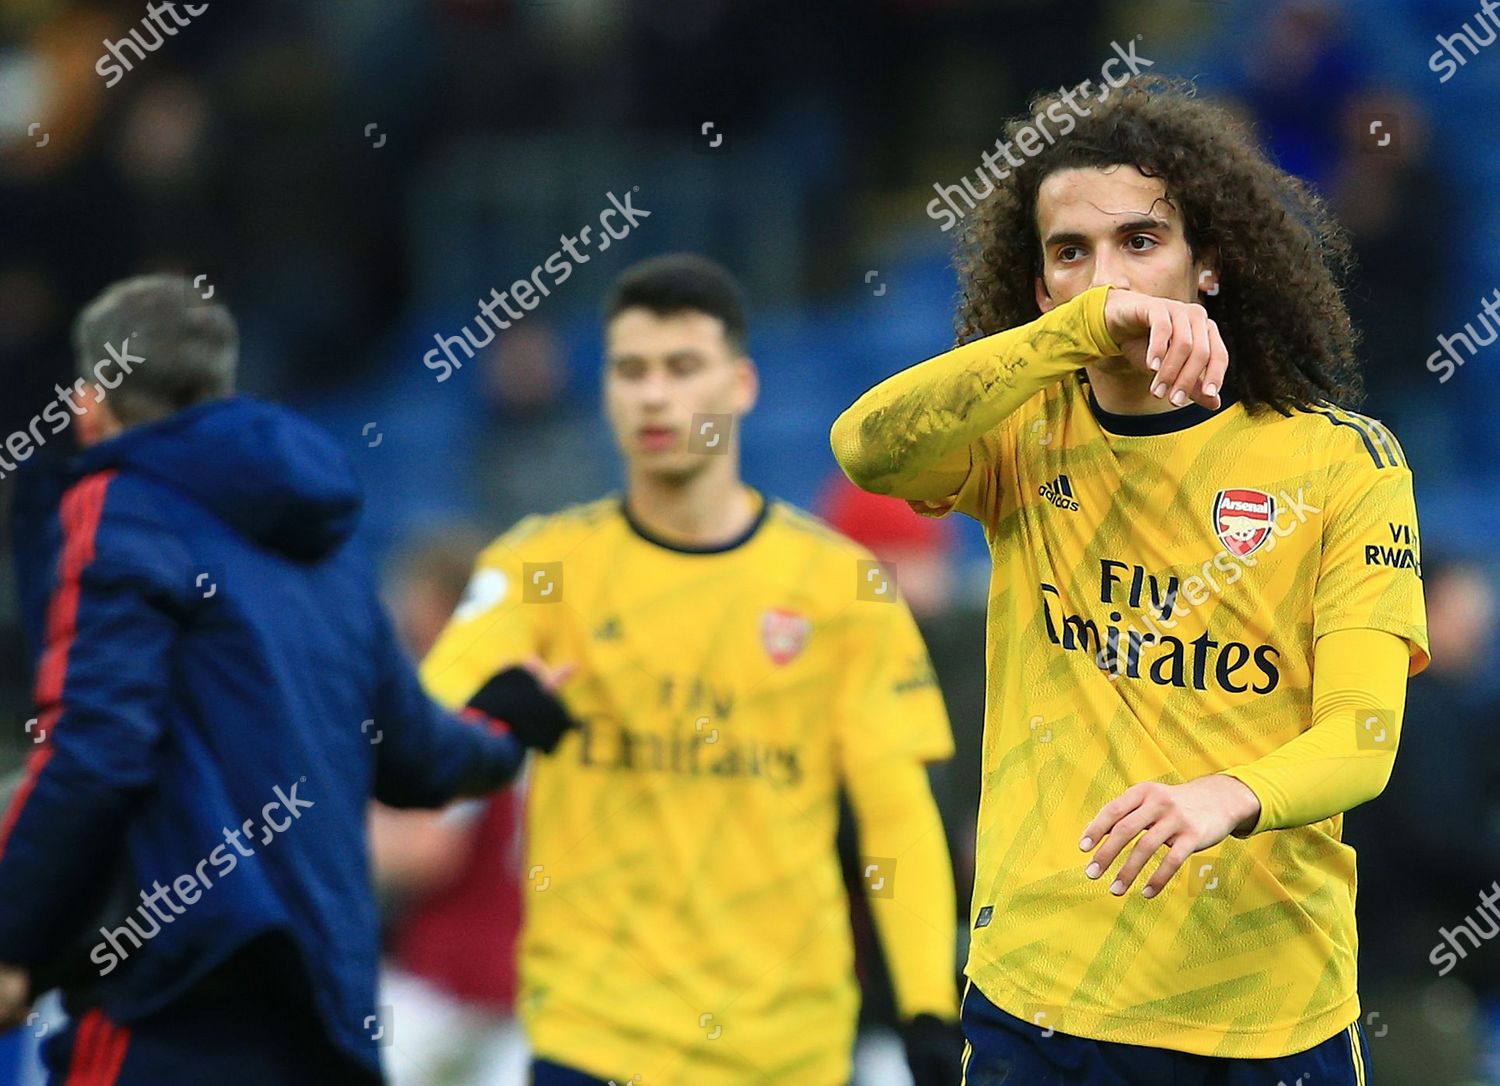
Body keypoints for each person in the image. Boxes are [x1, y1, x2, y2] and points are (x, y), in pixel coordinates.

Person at [832, 74, 1429, 1085]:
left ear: (1209, 267)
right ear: (1040, 290)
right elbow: (867, 448)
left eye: (1140, 242)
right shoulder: (1020, 440)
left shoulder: (1344, 464)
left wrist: (1225, 796)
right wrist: (1073, 336)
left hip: (1269, 1009)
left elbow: (1363, 743)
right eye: (1071, 253)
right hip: (1046, 1003)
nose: (1105, 278)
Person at [0, 275, 570, 1084]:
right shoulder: (329, 546)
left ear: (90, 404)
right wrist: (512, 717)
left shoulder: (117, 506)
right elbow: (422, 754)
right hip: (329, 1015)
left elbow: (95, 745)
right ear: (222, 388)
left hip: (178, 996)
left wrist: (13, 936)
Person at [420, 253, 965, 1085]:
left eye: (683, 368)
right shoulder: (541, 565)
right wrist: (490, 718)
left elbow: (898, 821)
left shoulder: (839, 586)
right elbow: (423, 731)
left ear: (742, 385)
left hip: (789, 1053)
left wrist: (929, 1012)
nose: (656, 395)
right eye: (631, 371)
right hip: (594, 1043)